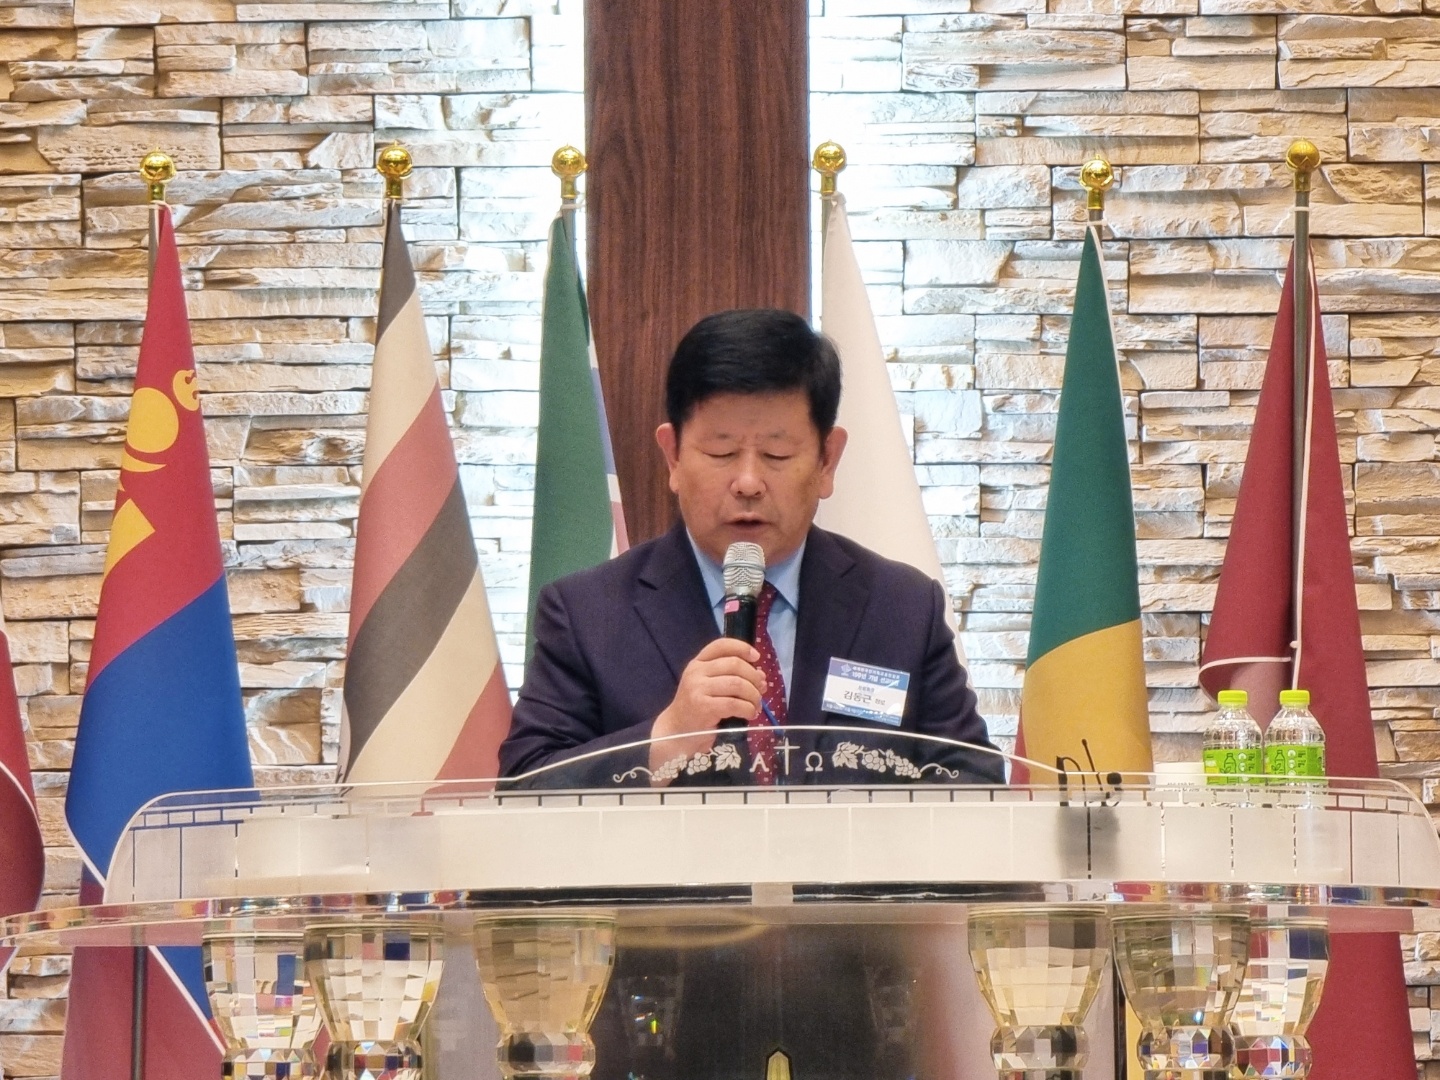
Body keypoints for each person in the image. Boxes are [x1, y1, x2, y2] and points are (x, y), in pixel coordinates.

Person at [499, 308, 1002, 786]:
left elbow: (974, 784)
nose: (748, 482)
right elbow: (524, 786)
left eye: (777, 454)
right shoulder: (587, 614)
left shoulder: (900, 607)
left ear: (827, 461)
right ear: (673, 457)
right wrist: (665, 739)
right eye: (721, 452)